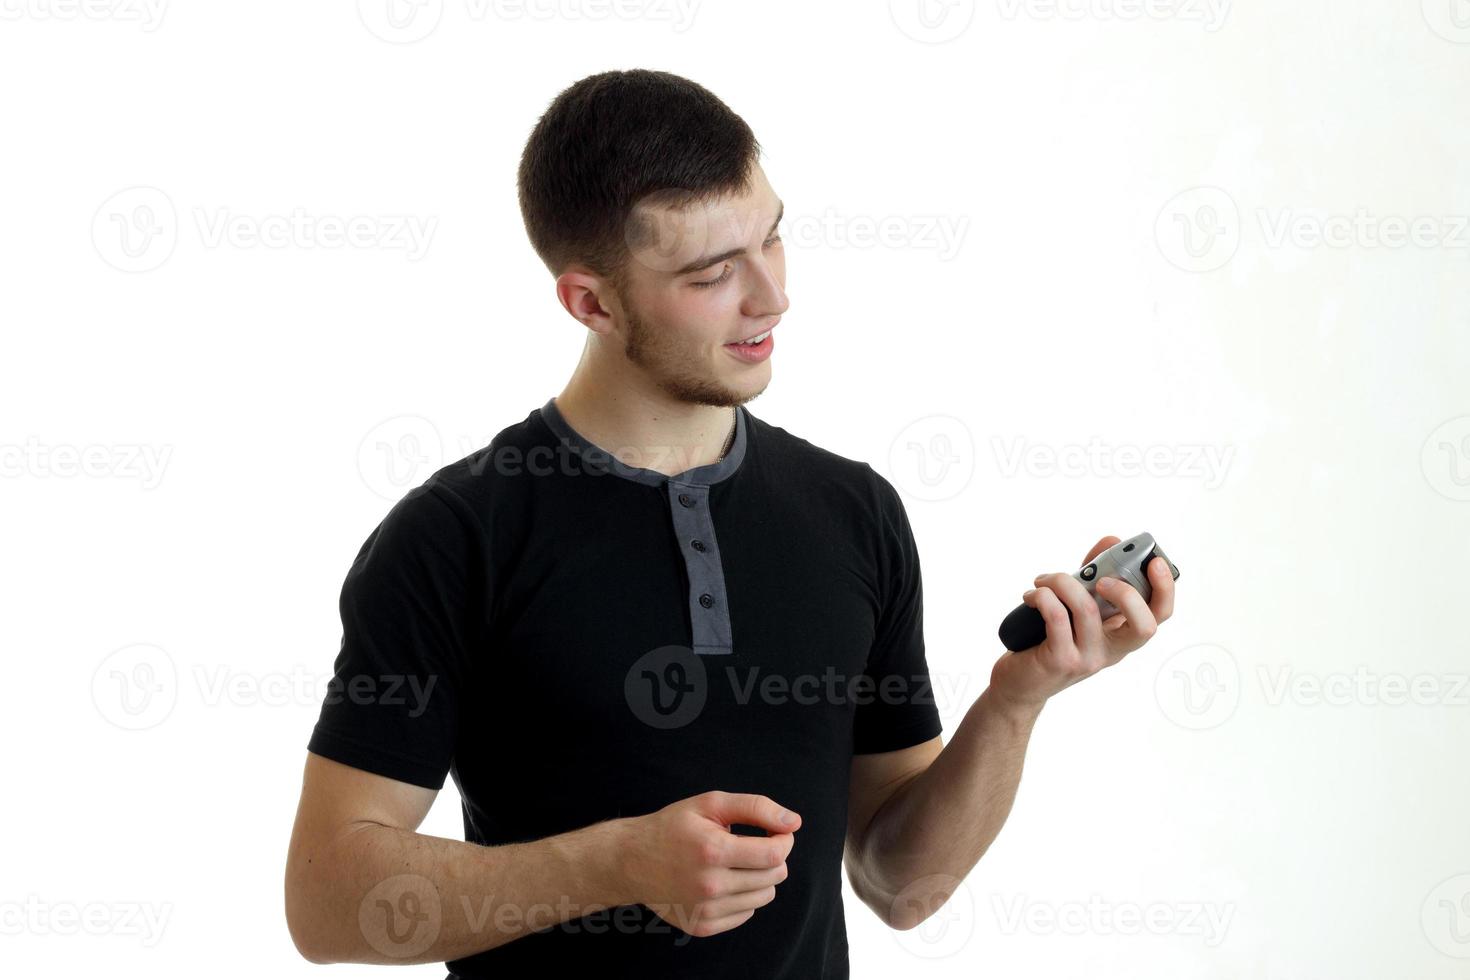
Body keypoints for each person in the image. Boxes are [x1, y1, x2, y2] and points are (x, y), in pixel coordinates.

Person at [283, 68, 1176, 979]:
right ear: (590, 302)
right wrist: (614, 864)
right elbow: (325, 904)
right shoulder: (454, 537)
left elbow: (900, 887)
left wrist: (1017, 702)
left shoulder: (854, 511)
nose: (771, 296)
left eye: (773, 236)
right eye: (713, 274)